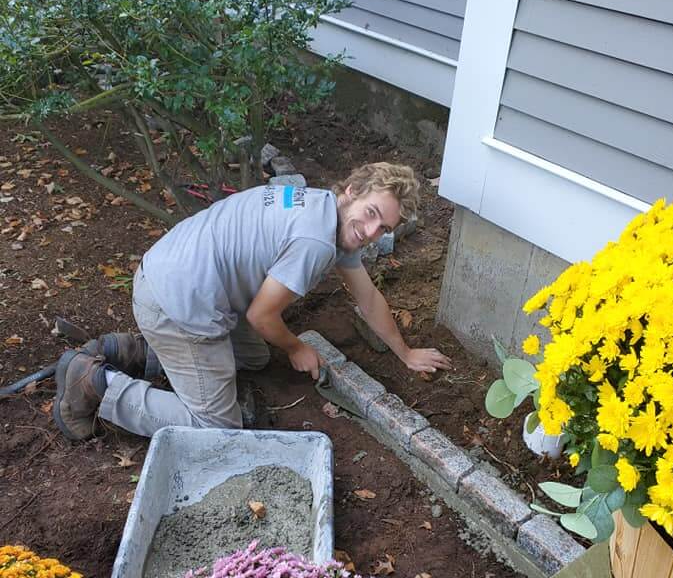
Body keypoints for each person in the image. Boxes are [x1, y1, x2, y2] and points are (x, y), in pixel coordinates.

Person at [52, 162, 452, 441]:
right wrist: (297, 347)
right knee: (216, 428)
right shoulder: (314, 242)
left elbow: (367, 295)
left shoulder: (323, 209)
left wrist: (406, 352)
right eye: (370, 214)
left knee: (256, 358)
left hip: (175, 274)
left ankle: (130, 350)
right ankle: (96, 385)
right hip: (179, 304)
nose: (369, 231)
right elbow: (263, 316)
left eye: (382, 227)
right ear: (352, 191)